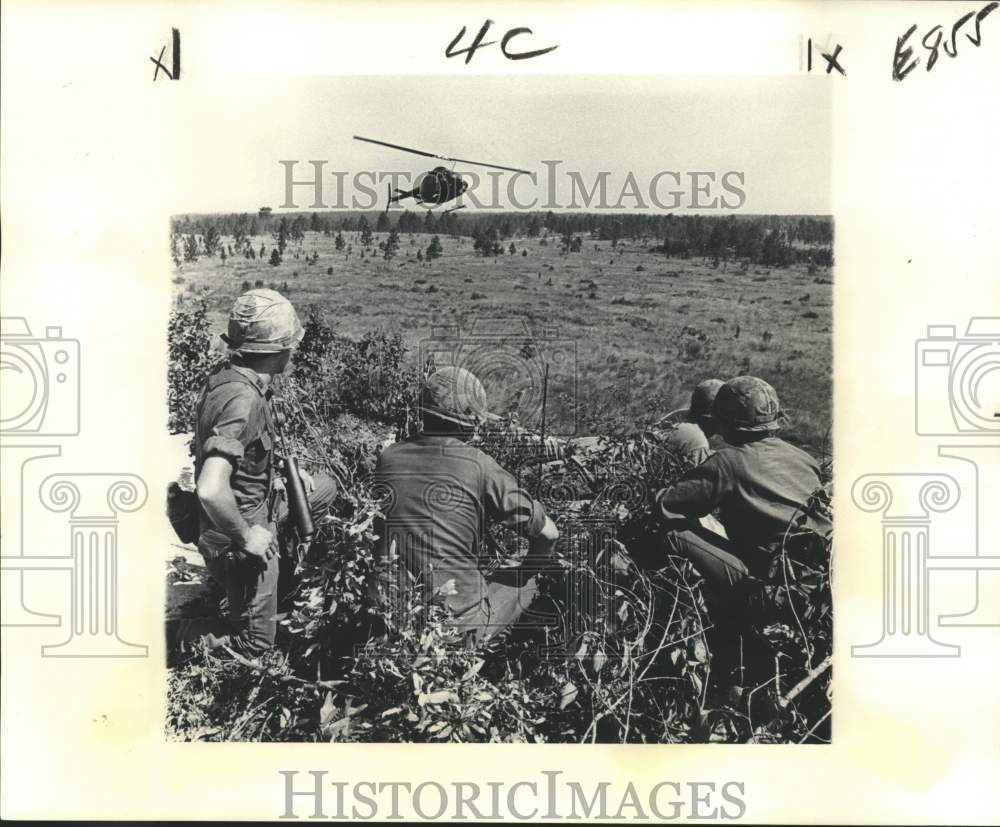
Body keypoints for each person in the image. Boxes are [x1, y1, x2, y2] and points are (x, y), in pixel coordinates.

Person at [186, 289, 337, 658]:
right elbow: (209, 488)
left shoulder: (232, 378)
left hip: (250, 511)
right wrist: (246, 536)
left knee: (324, 490)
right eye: (290, 345)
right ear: (278, 349)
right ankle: (183, 633)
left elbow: (242, 458)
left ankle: (276, 575)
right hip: (237, 537)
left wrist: (282, 476)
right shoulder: (245, 399)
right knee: (256, 645)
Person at [373, 366, 559, 645]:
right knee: (526, 582)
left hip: (391, 619)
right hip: (453, 630)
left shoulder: (387, 458)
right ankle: (492, 655)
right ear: (471, 424)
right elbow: (549, 534)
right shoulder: (480, 465)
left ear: (422, 412)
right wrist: (525, 568)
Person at [654, 376, 829, 626]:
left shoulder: (729, 462)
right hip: (818, 588)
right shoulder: (804, 459)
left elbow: (667, 506)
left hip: (771, 594)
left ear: (726, 421)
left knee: (672, 533)